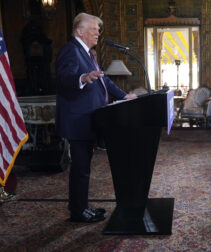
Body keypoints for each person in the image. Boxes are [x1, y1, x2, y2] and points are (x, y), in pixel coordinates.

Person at [55, 13, 137, 223]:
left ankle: (81, 207)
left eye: (98, 30)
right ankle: (78, 211)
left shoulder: (89, 54)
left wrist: (124, 96)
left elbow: (104, 81)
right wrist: (83, 77)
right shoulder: (71, 50)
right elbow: (64, 78)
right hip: (78, 120)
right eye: (93, 29)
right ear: (80, 31)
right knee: (81, 168)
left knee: (84, 167)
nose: (98, 33)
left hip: (90, 119)